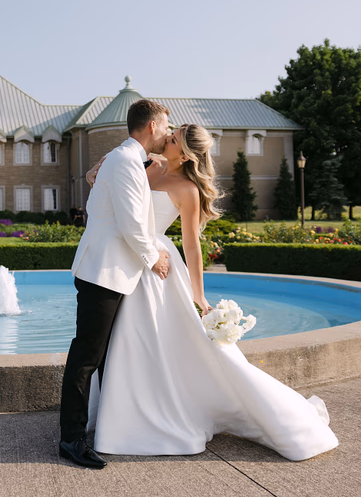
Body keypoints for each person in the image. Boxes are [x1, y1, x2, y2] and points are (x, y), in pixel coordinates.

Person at [85, 124, 338, 462]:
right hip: (129, 258)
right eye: (167, 134)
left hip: (157, 266)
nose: (164, 139)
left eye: (172, 140)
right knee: (127, 341)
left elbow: (192, 246)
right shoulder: (148, 165)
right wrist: (92, 175)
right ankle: (123, 412)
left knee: (146, 338)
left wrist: (199, 295)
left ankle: (147, 416)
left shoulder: (187, 189)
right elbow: (116, 195)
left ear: (186, 153)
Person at [59, 99, 171, 468]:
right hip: (102, 272)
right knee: (87, 356)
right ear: (152, 125)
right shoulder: (123, 161)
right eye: (166, 127)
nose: (168, 134)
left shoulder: (124, 159)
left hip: (112, 273)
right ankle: (72, 439)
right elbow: (131, 224)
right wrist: (154, 257)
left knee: (102, 356)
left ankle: (101, 427)